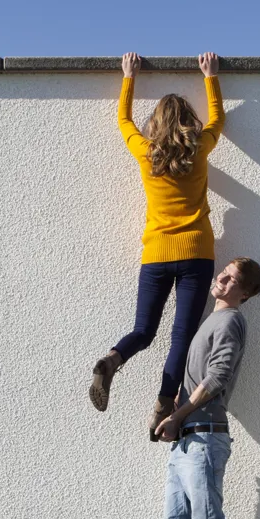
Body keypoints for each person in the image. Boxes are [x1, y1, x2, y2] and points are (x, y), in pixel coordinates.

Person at [128, 257, 260, 519]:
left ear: (245, 292)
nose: (221, 278)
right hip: (187, 440)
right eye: (224, 272)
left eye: (232, 279)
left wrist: (181, 413)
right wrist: (174, 415)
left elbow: (219, 375)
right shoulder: (212, 319)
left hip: (205, 437)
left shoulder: (230, 321)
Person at [90, 51, 225, 439]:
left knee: (143, 330)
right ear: (188, 123)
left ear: (157, 124)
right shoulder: (200, 147)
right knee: (181, 337)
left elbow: (123, 121)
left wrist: (128, 77)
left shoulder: (145, 152)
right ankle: (163, 407)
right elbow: (218, 119)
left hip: (156, 255)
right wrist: (210, 77)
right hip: (196, 252)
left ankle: (114, 358)